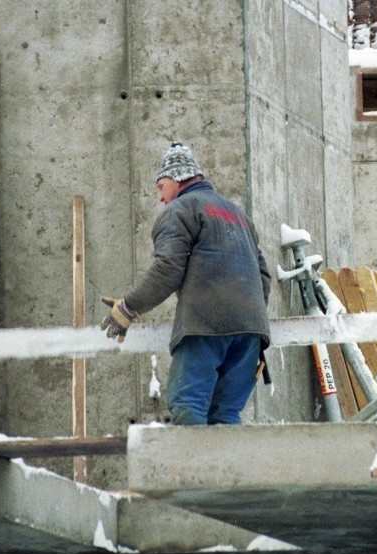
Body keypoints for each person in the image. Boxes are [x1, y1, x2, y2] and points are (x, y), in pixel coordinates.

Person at [101, 141, 271, 425]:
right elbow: (263, 276)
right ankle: (227, 471)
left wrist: (129, 307)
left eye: (161, 187)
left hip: (206, 327)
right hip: (251, 333)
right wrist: (244, 314)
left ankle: (194, 471)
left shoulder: (181, 210)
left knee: (188, 405)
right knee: (225, 414)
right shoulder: (239, 216)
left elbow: (168, 267)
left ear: (178, 179)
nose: (160, 198)